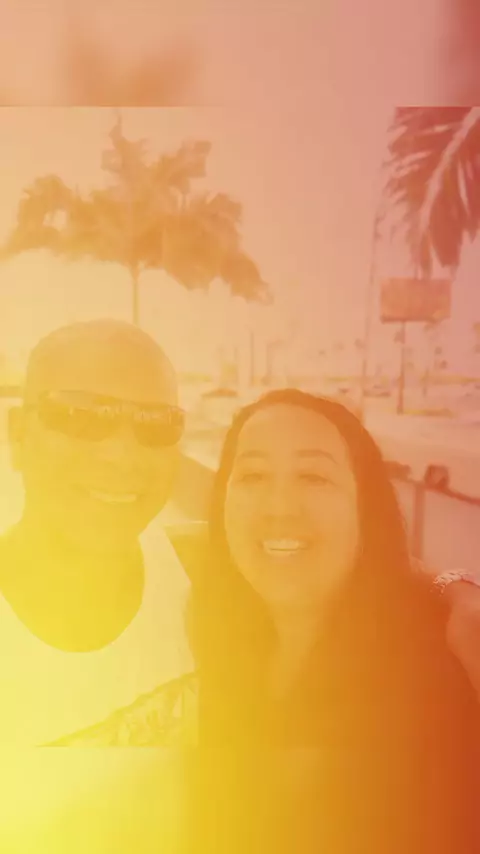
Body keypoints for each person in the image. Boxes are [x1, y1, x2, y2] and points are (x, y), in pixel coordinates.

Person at [183, 388, 480, 854]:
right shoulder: (209, 631)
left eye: (314, 477)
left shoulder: (444, 680)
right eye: (253, 475)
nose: (280, 507)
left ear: (365, 506)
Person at [0, 319, 195, 851]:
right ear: (19, 434)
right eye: (81, 416)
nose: (121, 455)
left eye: (156, 425)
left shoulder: (200, 573)